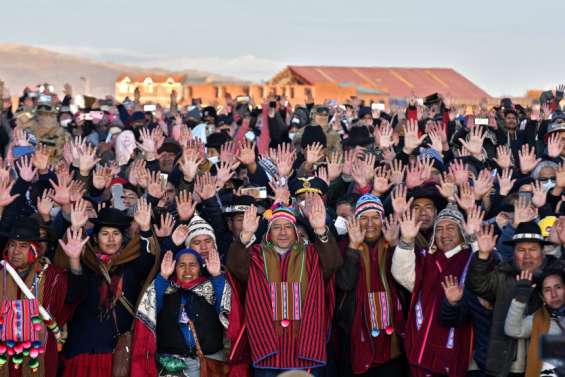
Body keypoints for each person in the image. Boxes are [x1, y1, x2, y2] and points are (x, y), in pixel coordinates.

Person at [226, 195, 342, 376]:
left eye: (288, 227)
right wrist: (246, 236)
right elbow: (236, 267)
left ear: (296, 232)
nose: (282, 232)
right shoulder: (256, 255)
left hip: (305, 345)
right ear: (268, 233)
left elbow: (332, 264)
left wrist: (320, 230)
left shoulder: (311, 254)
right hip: (266, 345)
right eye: (277, 228)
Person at [56, 202, 160, 376]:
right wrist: (74, 259)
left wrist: (145, 228)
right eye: (105, 234)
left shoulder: (132, 265)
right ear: (95, 238)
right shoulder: (85, 263)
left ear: (122, 238)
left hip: (117, 354)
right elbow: (73, 295)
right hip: (83, 350)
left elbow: (149, 261)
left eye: (116, 234)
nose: (111, 239)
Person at [392, 204, 482, 377]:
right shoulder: (426, 258)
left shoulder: (471, 258)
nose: (444, 234)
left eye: (450, 228)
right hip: (420, 346)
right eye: (439, 229)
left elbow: (485, 272)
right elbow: (402, 275)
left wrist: (473, 237)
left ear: (461, 232)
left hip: (458, 348)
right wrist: (407, 240)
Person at [467, 221, 557, 377]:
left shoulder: (555, 275)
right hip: (505, 364)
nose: (527, 255)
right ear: (513, 253)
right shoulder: (503, 273)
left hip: (545, 364)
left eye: (533, 249)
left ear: (543, 252)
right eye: (521, 250)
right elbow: (478, 285)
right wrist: (483, 256)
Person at [0, 218, 87, 377]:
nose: (16, 251)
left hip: (41, 357)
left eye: (23, 246)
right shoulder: (1, 274)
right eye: (12, 245)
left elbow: (76, 296)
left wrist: (74, 260)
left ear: (35, 250)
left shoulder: (53, 276)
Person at [335, 194, 407, 376]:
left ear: (382, 220)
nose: (370, 224)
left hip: (393, 337)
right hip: (357, 333)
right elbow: (344, 283)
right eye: (364, 218)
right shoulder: (344, 245)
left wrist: (394, 245)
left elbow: (405, 279)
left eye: (375, 217)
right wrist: (353, 246)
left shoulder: (391, 241)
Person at [130, 247, 231, 377]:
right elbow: (152, 306)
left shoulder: (210, 290)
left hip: (210, 362)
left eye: (192, 265)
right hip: (172, 365)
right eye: (181, 265)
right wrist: (163, 276)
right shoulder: (166, 291)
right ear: (174, 269)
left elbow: (227, 307)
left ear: (200, 268)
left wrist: (217, 276)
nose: (187, 270)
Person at [504, 269, 565, 377]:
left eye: (558, 287)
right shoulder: (539, 318)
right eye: (547, 290)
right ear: (542, 297)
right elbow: (513, 330)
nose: (554, 294)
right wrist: (520, 300)